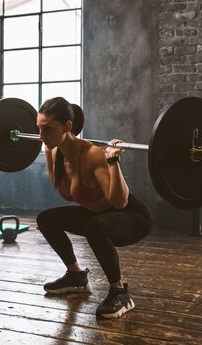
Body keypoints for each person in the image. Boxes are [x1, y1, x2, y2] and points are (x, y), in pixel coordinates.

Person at [35, 97, 153, 319]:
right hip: (97, 216)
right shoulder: (51, 151)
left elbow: (120, 203)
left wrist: (112, 160)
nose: (41, 136)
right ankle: (76, 276)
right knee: (46, 219)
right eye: (39, 129)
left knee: (93, 226)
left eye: (47, 129)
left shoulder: (92, 155)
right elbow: (66, 191)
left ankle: (120, 292)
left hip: (131, 216)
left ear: (67, 127)